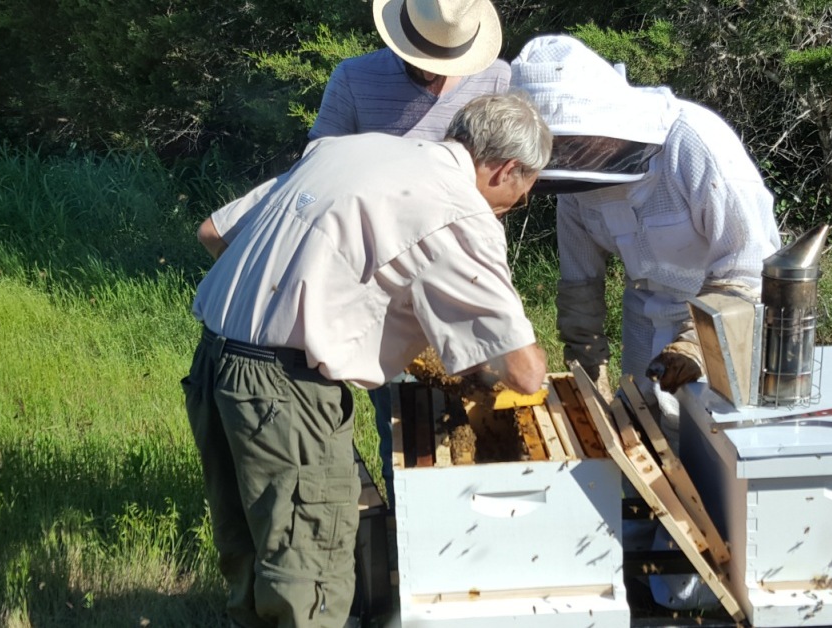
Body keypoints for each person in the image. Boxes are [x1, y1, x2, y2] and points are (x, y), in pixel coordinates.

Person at [182, 92, 551, 628]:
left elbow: (214, 233)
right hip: (285, 391)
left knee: (251, 558)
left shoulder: (348, 150)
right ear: (506, 170)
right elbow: (524, 371)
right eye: (516, 198)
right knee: (308, 579)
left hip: (215, 362)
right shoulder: (459, 208)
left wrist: (325, 304)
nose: (509, 209)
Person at [510, 35, 781, 610]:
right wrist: (585, 363)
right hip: (645, 312)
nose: (567, 164)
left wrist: (693, 344)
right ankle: (632, 563)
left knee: (708, 459)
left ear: (602, 122)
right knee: (640, 442)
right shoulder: (575, 182)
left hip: (725, 320)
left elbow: (748, 262)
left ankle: (696, 587)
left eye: (572, 146)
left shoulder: (694, 145)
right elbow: (580, 280)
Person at [309, 0, 512, 505]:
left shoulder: (497, 80)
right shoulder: (355, 79)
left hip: (466, 275)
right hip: (384, 280)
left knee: (484, 410)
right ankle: (409, 530)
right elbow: (318, 172)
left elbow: (506, 179)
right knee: (404, 421)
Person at [309, 0, 511, 142]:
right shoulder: (352, 78)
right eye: (420, 60)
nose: (430, 74)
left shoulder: (498, 81)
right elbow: (320, 163)